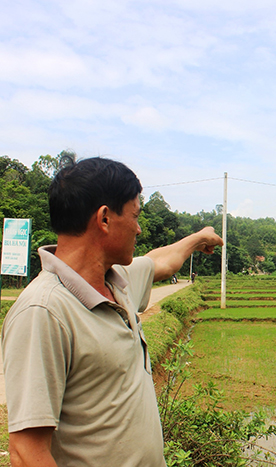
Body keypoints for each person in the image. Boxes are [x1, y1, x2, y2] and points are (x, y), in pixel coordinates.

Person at [1, 157, 224, 467]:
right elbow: (26, 453)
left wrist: (200, 238)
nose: (139, 228)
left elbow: (160, 261)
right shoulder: (44, 311)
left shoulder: (116, 283)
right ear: (105, 219)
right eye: (134, 216)